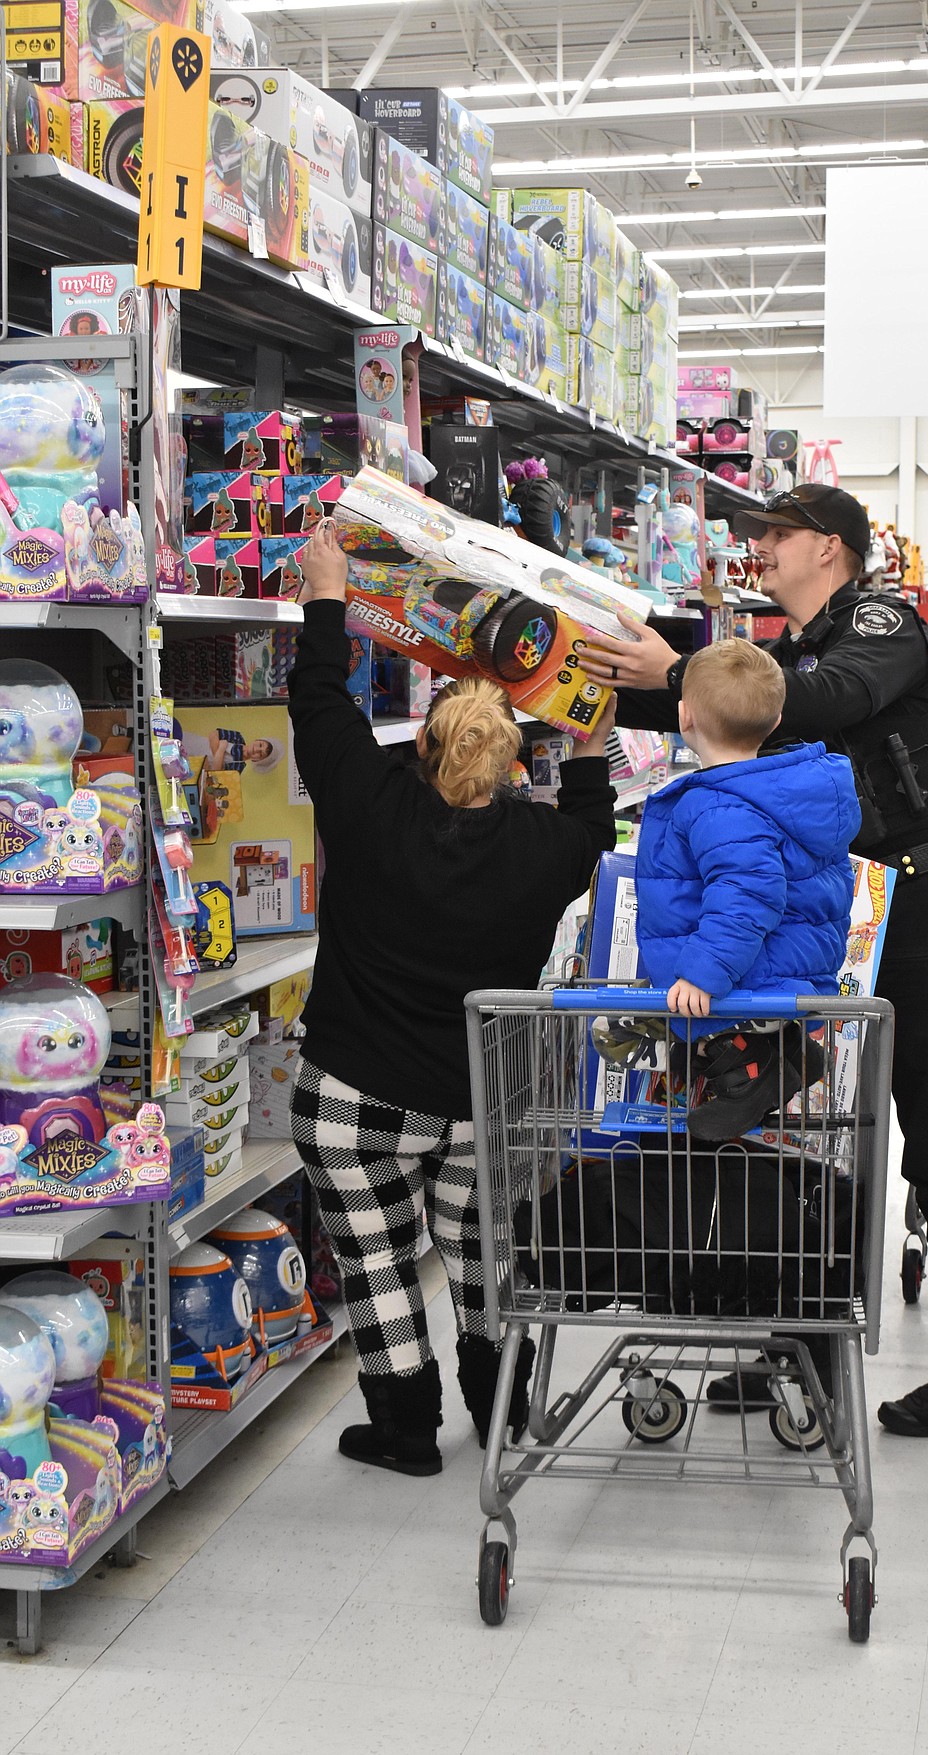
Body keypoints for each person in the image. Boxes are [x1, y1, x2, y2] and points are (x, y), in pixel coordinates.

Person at [580, 484, 928, 1438]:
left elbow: (818, 700)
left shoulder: (879, 624)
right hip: (844, 917)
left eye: (773, 536)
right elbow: (734, 718)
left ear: (829, 547)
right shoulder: (793, 649)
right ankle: (797, 1349)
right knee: (826, 1140)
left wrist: (683, 671)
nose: (759, 552)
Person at [287, 521, 617, 1475]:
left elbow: (317, 701)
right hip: (477, 1101)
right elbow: (592, 816)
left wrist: (329, 593)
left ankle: (403, 1429)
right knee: (479, 1259)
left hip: (354, 1094)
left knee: (378, 1264)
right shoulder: (545, 851)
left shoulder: (368, 804)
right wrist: (587, 733)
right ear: (516, 763)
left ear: (425, 749)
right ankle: (502, 1410)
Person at [634, 638, 859, 1139]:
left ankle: (749, 1075)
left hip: (748, 970)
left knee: (711, 1021)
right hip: (786, 959)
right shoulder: (775, 790)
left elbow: (748, 896)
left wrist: (701, 973)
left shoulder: (721, 806)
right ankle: (787, 1051)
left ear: (683, 717)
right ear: (776, 721)